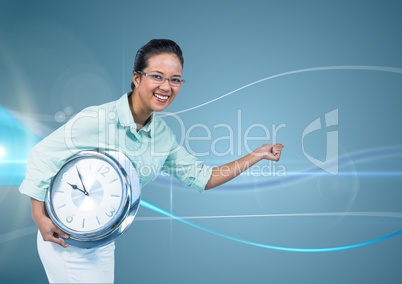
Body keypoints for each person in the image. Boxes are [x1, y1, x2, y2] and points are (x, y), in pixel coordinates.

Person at [19, 39, 284, 283]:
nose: (166, 87)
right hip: (64, 238)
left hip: (101, 240)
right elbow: (43, 155)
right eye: (157, 76)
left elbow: (203, 177)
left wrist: (257, 154)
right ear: (136, 78)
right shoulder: (98, 119)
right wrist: (38, 216)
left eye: (175, 80)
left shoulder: (162, 137)